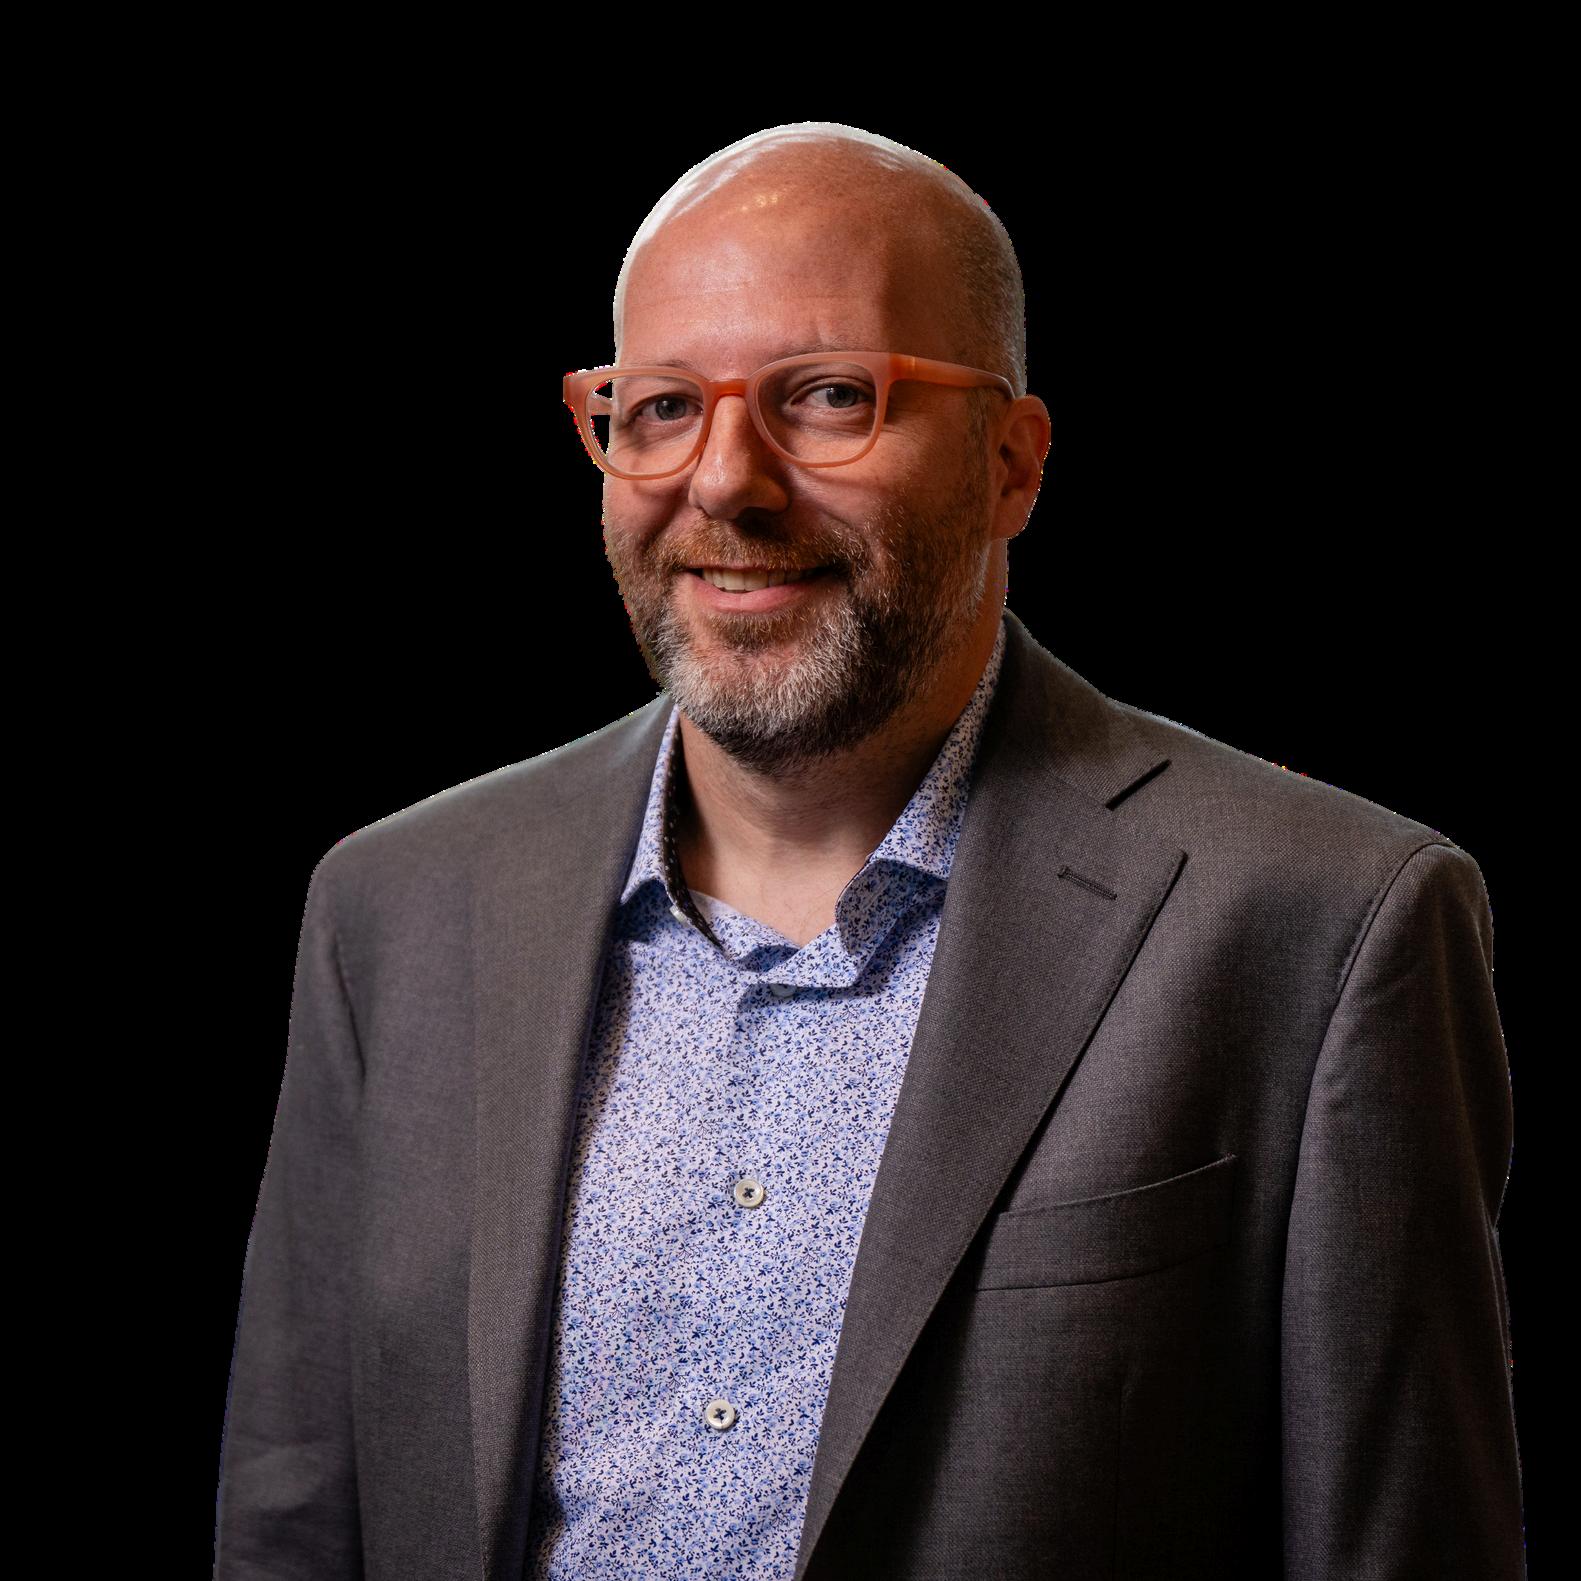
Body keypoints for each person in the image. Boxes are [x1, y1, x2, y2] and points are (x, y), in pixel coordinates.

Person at [213, 123, 1526, 1579]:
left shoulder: (1323, 927)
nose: (725, 481)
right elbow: (293, 1522)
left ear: (1012, 464)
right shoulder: (393, 909)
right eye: (660, 407)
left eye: (830, 396)